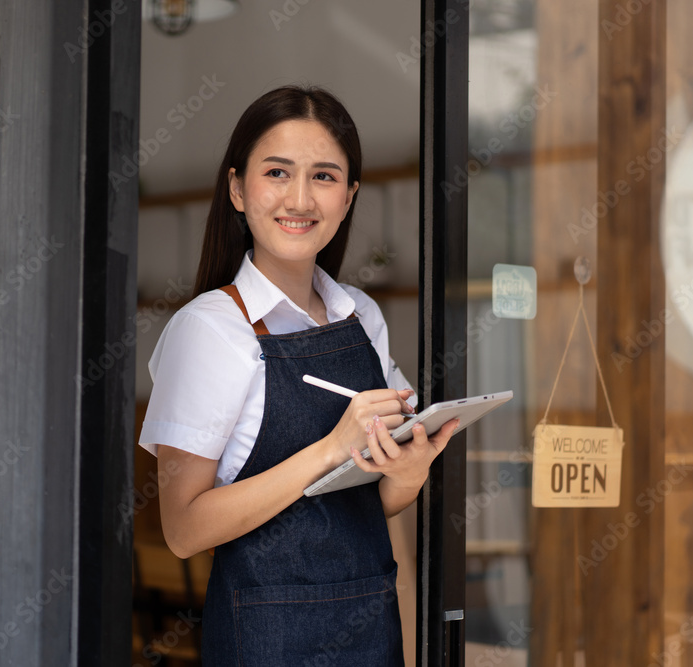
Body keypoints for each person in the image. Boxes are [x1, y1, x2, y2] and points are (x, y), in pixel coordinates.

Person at [138, 85, 459, 666]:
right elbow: (183, 530)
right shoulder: (208, 330)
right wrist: (330, 448)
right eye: (278, 172)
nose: (301, 198)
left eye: (325, 176)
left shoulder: (361, 316)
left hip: (369, 626)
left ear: (349, 196)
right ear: (238, 189)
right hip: (268, 640)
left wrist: (408, 473)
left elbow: (359, 507)